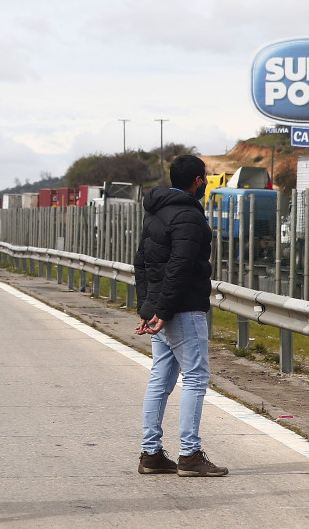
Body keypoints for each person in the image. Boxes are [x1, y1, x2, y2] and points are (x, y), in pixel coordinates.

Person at [134, 155, 228, 477]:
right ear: (198, 181)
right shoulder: (188, 216)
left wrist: (148, 308)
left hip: (163, 310)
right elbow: (180, 268)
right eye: (204, 178)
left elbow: (142, 263)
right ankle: (189, 455)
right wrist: (161, 311)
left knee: (160, 379)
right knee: (196, 378)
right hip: (182, 310)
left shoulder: (155, 213)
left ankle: (151, 453)